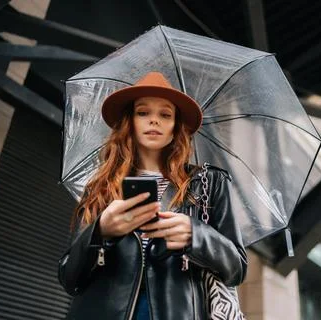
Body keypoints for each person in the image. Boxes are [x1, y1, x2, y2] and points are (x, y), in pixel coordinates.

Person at [58, 72, 247, 320]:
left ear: (176, 125)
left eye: (165, 114)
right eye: (143, 112)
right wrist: (101, 231)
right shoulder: (101, 188)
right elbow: (69, 277)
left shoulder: (207, 183)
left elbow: (237, 269)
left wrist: (196, 234)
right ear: (130, 121)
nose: (154, 121)